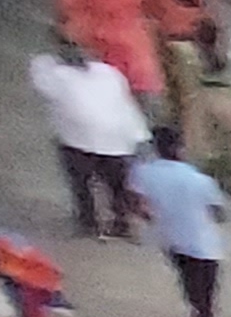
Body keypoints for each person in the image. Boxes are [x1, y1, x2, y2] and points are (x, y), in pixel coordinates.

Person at [29, 30, 150, 237]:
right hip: (117, 140)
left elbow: (42, 81)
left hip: (78, 140)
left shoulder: (56, 74)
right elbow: (125, 103)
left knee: (82, 183)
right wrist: (139, 136)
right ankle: (121, 223)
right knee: (116, 185)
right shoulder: (108, 73)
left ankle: (90, 222)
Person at [126, 130, 227, 317]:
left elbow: (134, 202)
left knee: (192, 290)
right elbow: (219, 213)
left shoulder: (142, 173)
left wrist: (151, 217)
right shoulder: (200, 180)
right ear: (181, 149)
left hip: (172, 241)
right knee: (206, 297)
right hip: (205, 245)